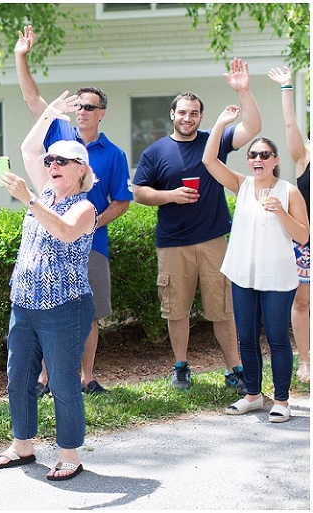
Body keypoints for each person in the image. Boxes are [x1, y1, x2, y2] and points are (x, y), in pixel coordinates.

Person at [15, 25, 132, 395]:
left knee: (89, 312)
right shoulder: (59, 136)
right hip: (52, 236)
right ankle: (47, 378)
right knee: (49, 307)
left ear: (101, 114)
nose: (80, 110)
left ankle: (86, 377)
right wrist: (22, 57)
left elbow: (121, 201)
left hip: (90, 242)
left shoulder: (114, 154)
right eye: (77, 105)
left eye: (88, 107)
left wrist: (90, 223)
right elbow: (33, 99)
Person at [132, 58, 262, 391]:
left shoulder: (213, 140)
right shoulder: (156, 152)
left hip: (213, 240)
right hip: (173, 242)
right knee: (176, 310)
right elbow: (139, 192)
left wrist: (244, 91)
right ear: (172, 115)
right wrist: (170, 196)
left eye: (193, 113)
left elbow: (252, 128)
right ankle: (180, 367)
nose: (187, 118)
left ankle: (234, 368)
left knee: (222, 308)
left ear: (200, 117)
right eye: (182, 112)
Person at [0, 94, 95, 481]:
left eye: (61, 161)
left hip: (65, 305)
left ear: (81, 170)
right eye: (50, 161)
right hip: (25, 303)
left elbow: (65, 232)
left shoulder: (84, 207)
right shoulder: (44, 193)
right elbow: (28, 147)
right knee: (18, 376)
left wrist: (28, 198)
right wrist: (50, 113)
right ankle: (22, 445)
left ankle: (70, 453)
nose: (51, 165)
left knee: (63, 380)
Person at [203, 107, 309, 422]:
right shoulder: (243, 185)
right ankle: (252, 395)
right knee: (246, 337)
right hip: (243, 274)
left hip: (277, 276)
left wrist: (281, 212)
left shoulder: (288, 191)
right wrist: (221, 123)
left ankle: (281, 400)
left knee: (276, 337)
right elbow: (209, 161)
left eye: (265, 154)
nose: (258, 159)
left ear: (275, 160)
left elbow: (303, 235)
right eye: (253, 155)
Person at [267, 66, 310, 383]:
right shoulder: (304, 156)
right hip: (305, 240)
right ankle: (306, 362)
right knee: (303, 301)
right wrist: (286, 87)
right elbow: (290, 122)